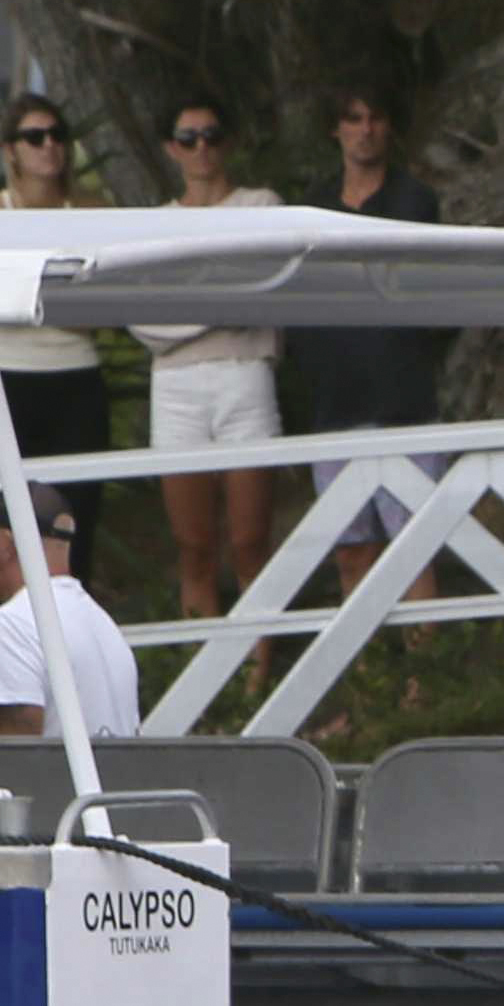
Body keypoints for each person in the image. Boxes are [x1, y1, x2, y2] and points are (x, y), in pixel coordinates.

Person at [281, 84, 448, 596]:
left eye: (375, 116)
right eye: (353, 117)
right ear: (336, 128)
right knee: (350, 550)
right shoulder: (311, 207)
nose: (365, 128)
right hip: (334, 402)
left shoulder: (416, 201)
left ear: (390, 126)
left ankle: (422, 677)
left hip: (405, 399)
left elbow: (433, 298)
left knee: (414, 547)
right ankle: (368, 675)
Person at [131, 92, 288, 622]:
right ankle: (203, 668)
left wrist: (187, 307)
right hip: (174, 385)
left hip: (245, 376)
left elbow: (264, 290)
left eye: (211, 136)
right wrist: (221, 304)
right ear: (170, 149)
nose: (201, 148)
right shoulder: (154, 224)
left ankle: (256, 667)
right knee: (193, 546)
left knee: (249, 539)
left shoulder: (260, 206)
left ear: (230, 142)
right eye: (188, 138)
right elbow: (141, 323)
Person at [0, 94, 117, 576]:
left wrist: (28, 302)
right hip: (9, 377)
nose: (48, 146)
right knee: (5, 518)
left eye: (57, 135)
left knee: (77, 518)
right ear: (11, 149)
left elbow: (102, 312)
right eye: (34, 137)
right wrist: (55, 305)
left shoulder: (93, 211)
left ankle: (74, 625)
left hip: (76, 377)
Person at [0, 489, 139, 743]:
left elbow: (18, 758)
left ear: (6, 544)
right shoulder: (102, 622)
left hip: (55, 783)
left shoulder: (12, 626)